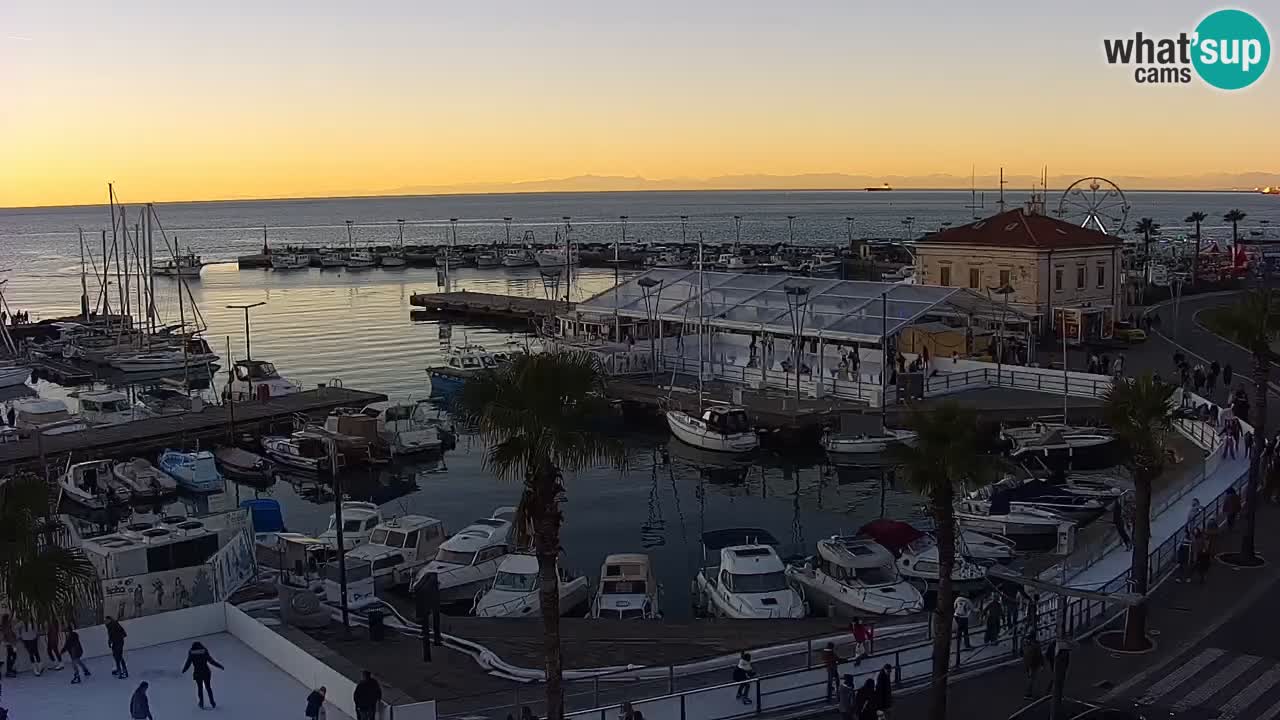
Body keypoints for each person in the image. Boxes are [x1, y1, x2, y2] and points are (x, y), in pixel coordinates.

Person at [181, 640, 224, 708]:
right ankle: (212, 703)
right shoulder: (204, 651)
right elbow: (211, 661)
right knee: (208, 688)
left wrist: (184, 670)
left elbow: (188, 663)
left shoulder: (192, 653)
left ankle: (201, 703)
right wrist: (220, 666)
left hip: (198, 673)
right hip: (206, 672)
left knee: (200, 688)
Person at [1022, 633, 1043, 699]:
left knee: (1031, 678)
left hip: (1029, 664)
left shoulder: (1026, 645)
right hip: (1034, 664)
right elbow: (1039, 655)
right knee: (1032, 679)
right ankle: (1028, 693)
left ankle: (1030, 692)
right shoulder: (1035, 646)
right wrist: (1042, 663)